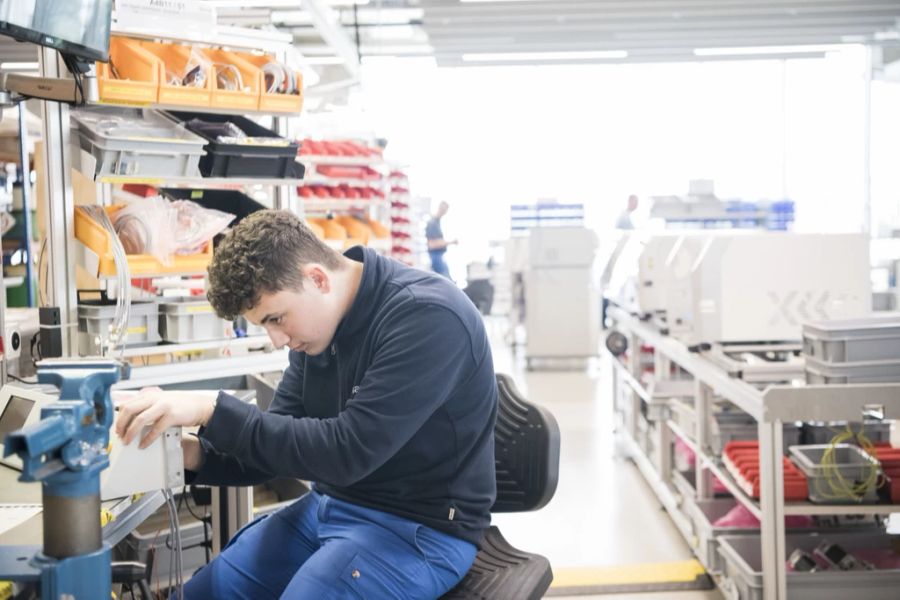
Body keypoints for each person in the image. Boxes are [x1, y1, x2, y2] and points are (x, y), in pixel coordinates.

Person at [114, 210, 498, 599]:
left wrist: (212, 408)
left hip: (419, 531)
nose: (277, 340)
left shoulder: (428, 317)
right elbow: (270, 451)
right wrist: (183, 453)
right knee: (205, 593)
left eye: (276, 318)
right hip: (329, 508)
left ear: (317, 278)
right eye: (265, 325)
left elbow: (347, 452)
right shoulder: (317, 331)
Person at [426, 201, 457, 278]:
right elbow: (432, 244)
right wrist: (451, 242)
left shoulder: (437, 222)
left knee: (447, 280)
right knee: (445, 280)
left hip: (439, 256)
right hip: (436, 257)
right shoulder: (432, 223)